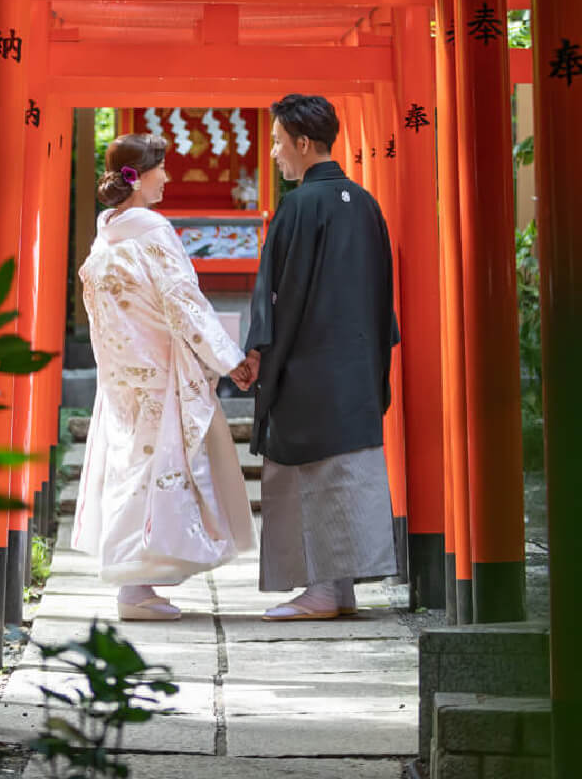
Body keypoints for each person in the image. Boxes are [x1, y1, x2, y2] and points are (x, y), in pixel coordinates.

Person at [71, 133, 256, 621]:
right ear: (139, 175)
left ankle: (138, 583)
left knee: (132, 469)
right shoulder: (151, 230)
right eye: (162, 168)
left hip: (122, 374)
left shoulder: (107, 231)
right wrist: (228, 358)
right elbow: (183, 303)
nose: (169, 177)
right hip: (157, 374)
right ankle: (135, 588)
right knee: (158, 472)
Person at [229, 94, 399, 621]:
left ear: (304, 143)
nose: (276, 154)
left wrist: (260, 352)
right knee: (348, 471)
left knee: (313, 474)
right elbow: (380, 294)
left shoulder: (299, 207)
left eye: (279, 142)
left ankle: (322, 591)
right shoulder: (366, 203)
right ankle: (340, 589)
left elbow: (279, 293)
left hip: (309, 366)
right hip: (357, 364)